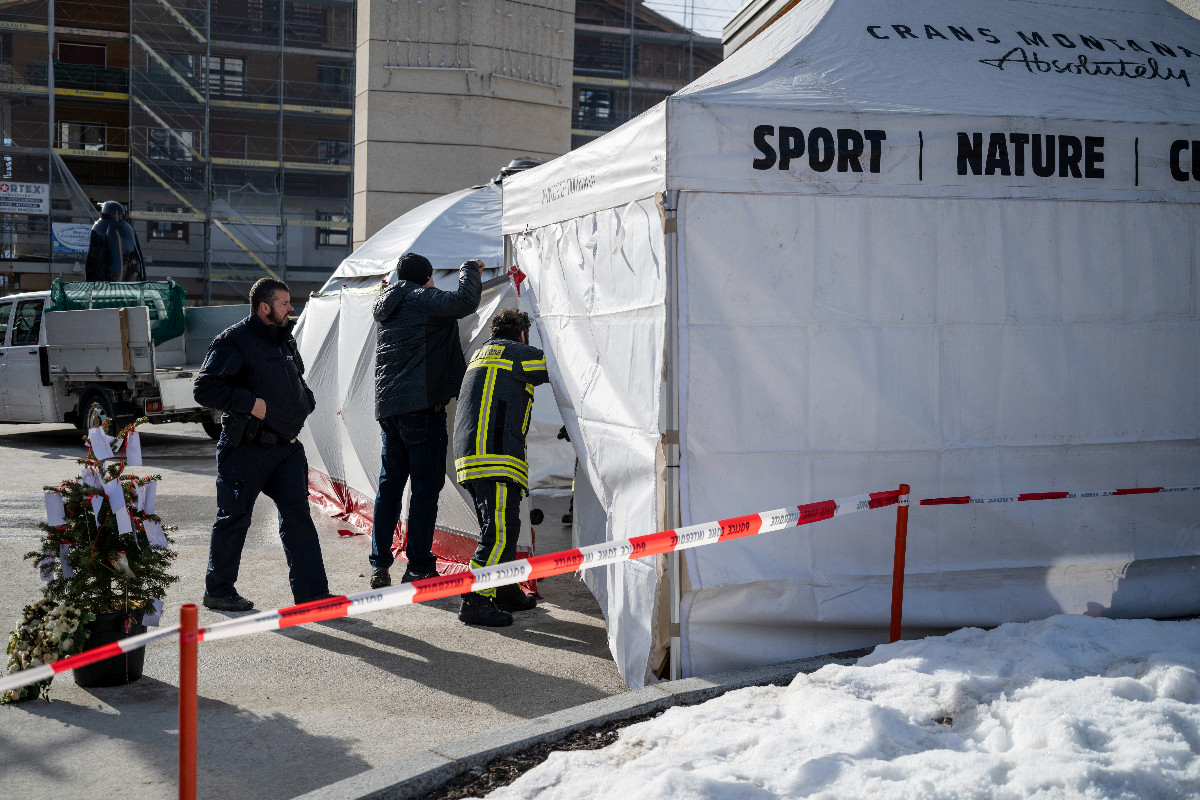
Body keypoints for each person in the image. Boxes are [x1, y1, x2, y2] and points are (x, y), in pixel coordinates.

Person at [193, 278, 332, 611]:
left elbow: (297, 379)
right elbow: (204, 389)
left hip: (286, 448)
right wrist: (249, 402)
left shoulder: (285, 339)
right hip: (246, 448)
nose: (291, 309)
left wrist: (304, 402)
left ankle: (312, 595)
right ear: (264, 307)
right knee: (234, 518)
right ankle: (219, 590)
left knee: (298, 517)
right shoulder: (234, 341)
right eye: (284, 303)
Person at [369, 253, 483, 589]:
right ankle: (418, 566)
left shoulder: (385, 303)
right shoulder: (420, 298)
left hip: (389, 410)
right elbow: (466, 300)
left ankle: (379, 563)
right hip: (421, 410)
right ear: (426, 278)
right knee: (422, 492)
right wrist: (468, 268)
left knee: (389, 490)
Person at [453, 308, 549, 626]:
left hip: (475, 456)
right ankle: (475, 599)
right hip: (495, 456)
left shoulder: (482, 353)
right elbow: (560, 369)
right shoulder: (517, 354)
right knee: (497, 534)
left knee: (505, 530)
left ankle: (505, 590)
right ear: (522, 335)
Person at [84, 200, 146, 282]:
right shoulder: (129, 229)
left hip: (105, 282)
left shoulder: (100, 226)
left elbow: (93, 257)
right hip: (131, 282)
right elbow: (137, 255)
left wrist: (91, 278)